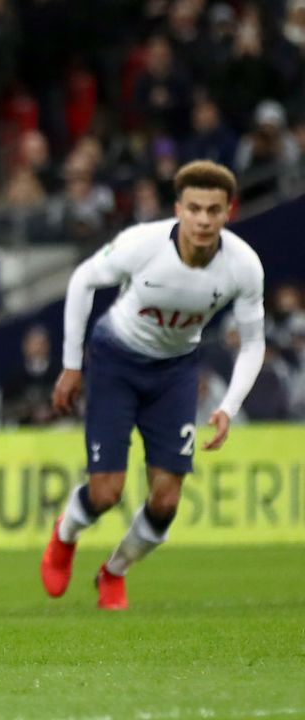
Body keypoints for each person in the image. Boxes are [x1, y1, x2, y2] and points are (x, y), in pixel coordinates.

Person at [42, 160, 264, 610]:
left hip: (175, 372)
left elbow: (254, 343)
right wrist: (70, 365)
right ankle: (65, 535)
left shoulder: (244, 266)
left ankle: (114, 572)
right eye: (195, 208)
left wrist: (229, 406)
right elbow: (83, 279)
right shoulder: (141, 244)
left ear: (228, 212)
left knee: (165, 501)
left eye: (214, 210)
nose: (203, 220)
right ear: (178, 209)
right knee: (106, 493)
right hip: (115, 362)